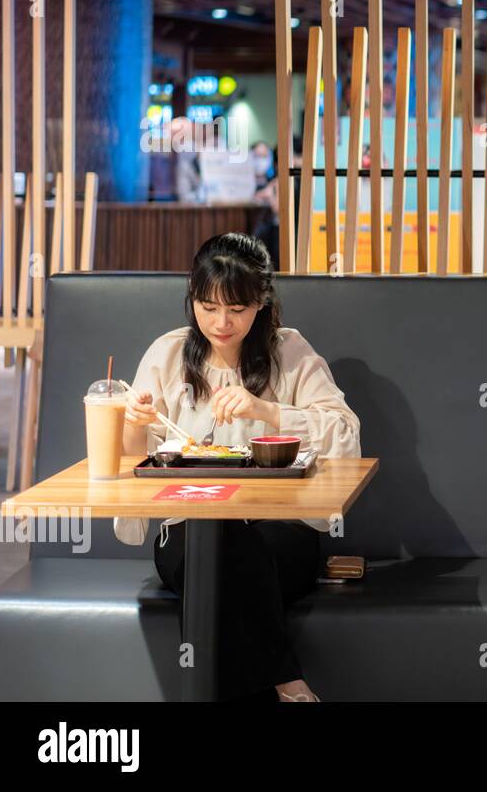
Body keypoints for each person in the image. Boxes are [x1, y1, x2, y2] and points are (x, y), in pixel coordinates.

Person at [118, 232, 361, 702]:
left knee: (220, 577)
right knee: (215, 545)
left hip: (281, 532)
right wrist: (134, 423)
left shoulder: (289, 352)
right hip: (186, 533)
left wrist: (266, 410)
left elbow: (346, 435)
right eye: (208, 307)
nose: (221, 323)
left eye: (236, 309)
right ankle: (289, 684)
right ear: (192, 300)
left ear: (261, 302)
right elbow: (134, 462)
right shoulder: (167, 355)